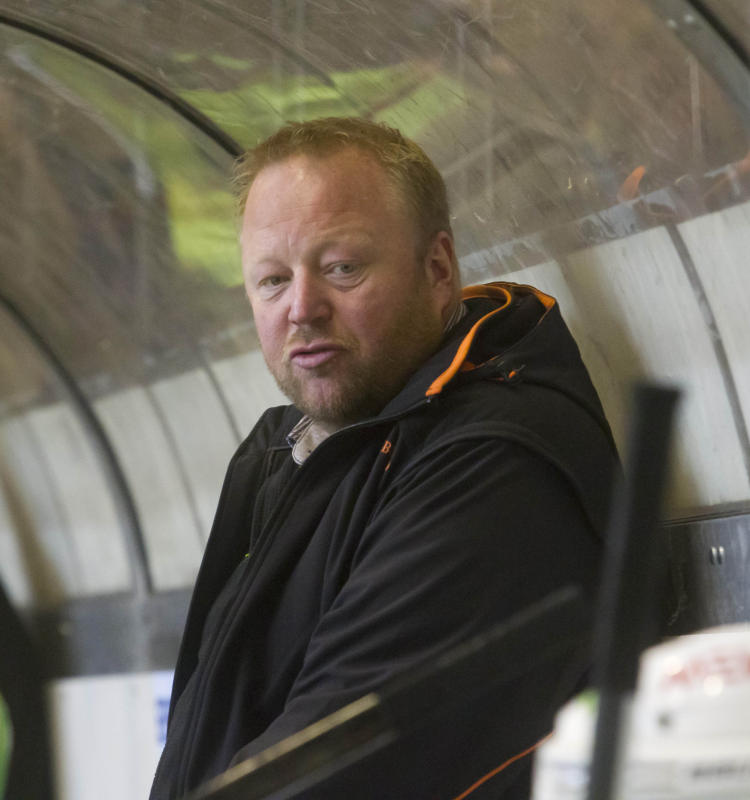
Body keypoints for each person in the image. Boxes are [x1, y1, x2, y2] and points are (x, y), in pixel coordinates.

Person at [150, 117, 617, 800]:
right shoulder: (288, 453)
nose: (303, 308)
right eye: (272, 280)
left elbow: (332, 765)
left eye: (342, 267)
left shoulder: (491, 462)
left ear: (438, 269)